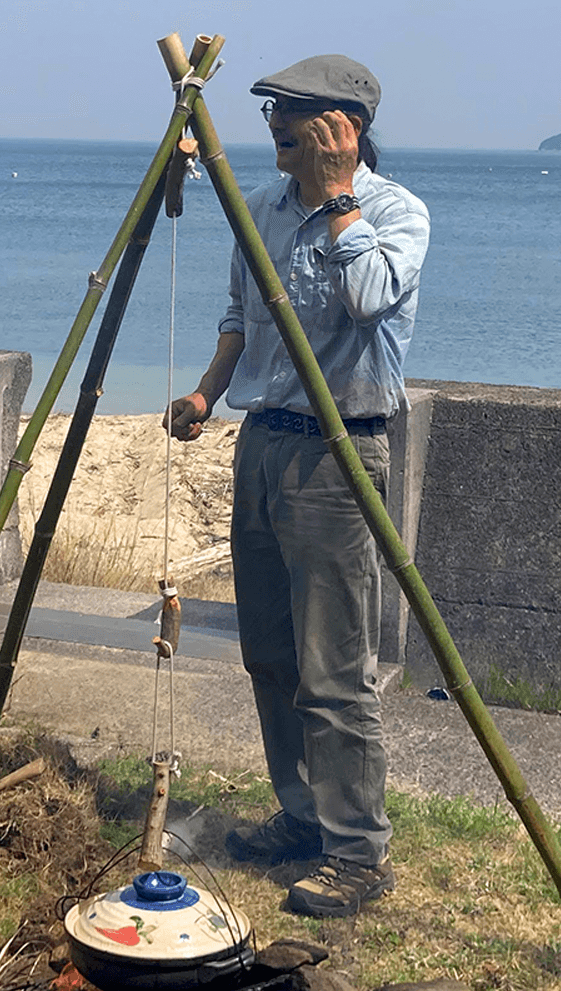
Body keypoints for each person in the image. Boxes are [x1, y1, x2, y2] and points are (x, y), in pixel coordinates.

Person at [165, 55, 429, 918]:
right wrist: (208, 391)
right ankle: (302, 811)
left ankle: (357, 849)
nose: (275, 127)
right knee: (270, 652)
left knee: (334, 663)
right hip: (263, 445)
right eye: (274, 113)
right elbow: (241, 316)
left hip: (336, 454)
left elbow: (366, 298)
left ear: (341, 128)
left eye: (294, 115)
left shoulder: (394, 214)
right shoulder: (261, 212)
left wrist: (337, 197)